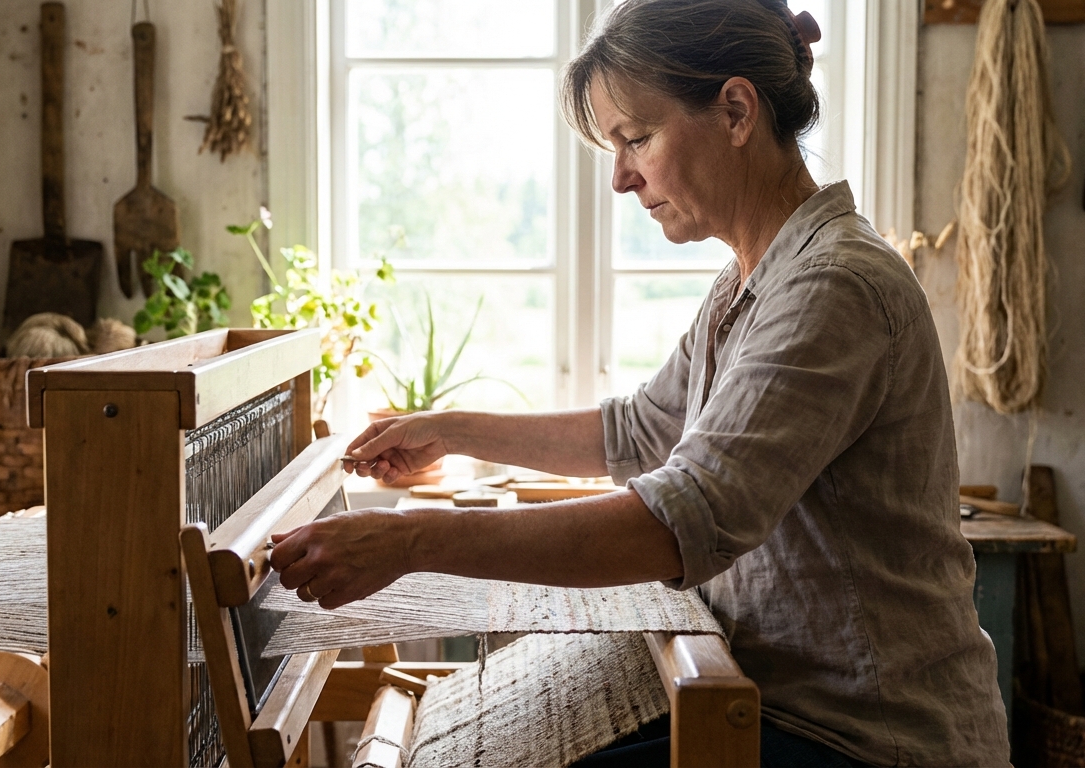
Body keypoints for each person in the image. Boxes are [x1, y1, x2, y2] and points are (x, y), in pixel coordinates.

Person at [269, 0, 1010, 765]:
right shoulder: (750, 283)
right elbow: (637, 431)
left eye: (637, 138)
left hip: (869, 739)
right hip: (769, 701)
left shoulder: (834, 288)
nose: (622, 178)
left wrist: (411, 540)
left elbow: (679, 521)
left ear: (734, 111)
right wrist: (451, 428)